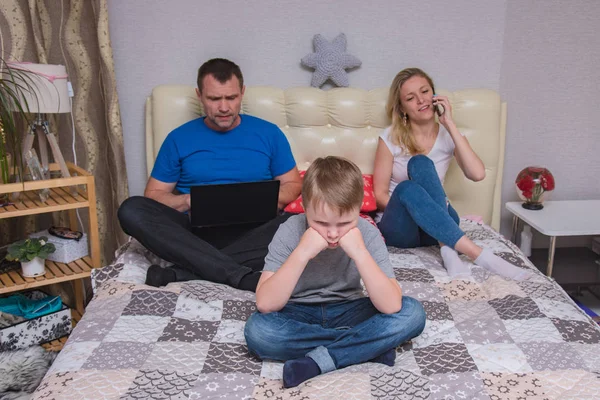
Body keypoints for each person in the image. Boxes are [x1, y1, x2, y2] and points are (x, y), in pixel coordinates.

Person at [117, 58, 302, 291]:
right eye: (214, 99)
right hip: (196, 234)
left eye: (231, 98)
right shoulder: (178, 138)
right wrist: (185, 201)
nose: (224, 107)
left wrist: (263, 199)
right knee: (131, 209)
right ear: (200, 95)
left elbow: (293, 184)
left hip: (256, 231)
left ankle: (181, 274)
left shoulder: (269, 133)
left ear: (242, 93)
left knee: (300, 224)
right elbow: (153, 194)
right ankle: (241, 276)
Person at [244, 156, 426, 388]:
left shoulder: (366, 233)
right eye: (320, 222)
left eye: (343, 224)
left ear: (358, 210)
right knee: (259, 331)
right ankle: (368, 347)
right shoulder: (290, 230)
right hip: (297, 311)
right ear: (305, 209)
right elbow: (266, 303)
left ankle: (319, 361)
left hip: (348, 309)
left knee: (413, 312)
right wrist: (302, 252)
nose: (332, 234)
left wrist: (360, 253)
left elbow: (391, 305)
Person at [373, 67, 530, 280]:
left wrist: (450, 124)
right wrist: (413, 204)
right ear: (402, 108)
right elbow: (380, 194)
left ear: (435, 95)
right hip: (401, 227)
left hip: (434, 228)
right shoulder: (390, 137)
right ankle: (481, 256)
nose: (421, 100)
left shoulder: (448, 135)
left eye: (425, 91)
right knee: (408, 187)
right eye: (411, 98)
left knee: (421, 163)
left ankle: (448, 250)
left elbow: (477, 174)